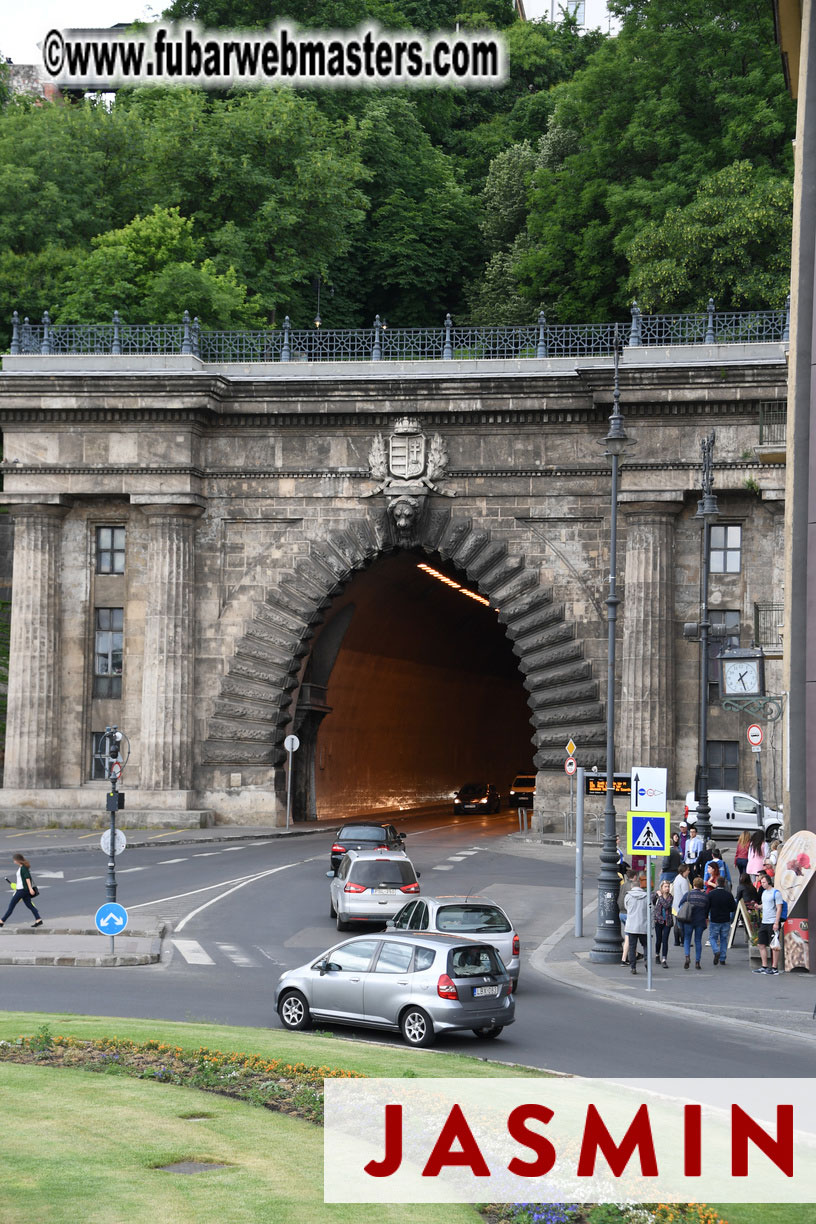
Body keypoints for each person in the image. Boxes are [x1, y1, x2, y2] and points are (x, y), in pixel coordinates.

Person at [753, 871, 784, 975]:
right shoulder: (764, 893)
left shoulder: (776, 893)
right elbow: (765, 905)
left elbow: (779, 908)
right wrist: (758, 906)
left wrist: (776, 922)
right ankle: (764, 966)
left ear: (769, 882)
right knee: (761, 944)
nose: (762, 884)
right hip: (764, 921)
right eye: (761, 882)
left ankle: (774, 968)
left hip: (772, 921)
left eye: (764, 882)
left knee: (774, 945)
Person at [0, 854, 43, 928]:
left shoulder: (23, 868)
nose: (14, 861)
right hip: (23, 890)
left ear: (18, 860)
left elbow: (27, 879)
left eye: (14, 860)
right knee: (29, 905)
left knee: (11, 905)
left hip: (22, 890)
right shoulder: (21, 868)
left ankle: (2, 921)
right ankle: (38, 919)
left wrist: (30, 889)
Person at [705, 878, 737, 965]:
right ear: (724, 884)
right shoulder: (728, 895)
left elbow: (707, 907)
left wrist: (706, 917)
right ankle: (722, 958)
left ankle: (716, 951)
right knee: (724, 939)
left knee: (712, 937)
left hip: (714, 919)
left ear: (716, 883)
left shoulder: (711, 894)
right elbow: (733, 908)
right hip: (725, 919)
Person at [624, 873, 649, 974]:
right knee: (646, 945)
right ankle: (647, 960)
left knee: (632, 947)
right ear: (640, 886)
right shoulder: (646, 896)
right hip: (643, 925)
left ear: (632, 887)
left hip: (631, 926)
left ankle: (633, 967)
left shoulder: (628, 896)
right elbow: (650, 910)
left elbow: (626, 907)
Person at [682, 877, 708, 970]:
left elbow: (680, 904)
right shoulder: (705, 896)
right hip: (700, 921)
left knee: (687, 939)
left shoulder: (688, 895)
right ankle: (697, 962)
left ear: (693, 885)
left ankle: (687, 956)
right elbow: (707, 909)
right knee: (698, 941)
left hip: (689, 920)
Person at [653, 879, 674, 967]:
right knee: (658, 939)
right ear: (661, 887)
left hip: (667, 921)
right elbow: (652, 902)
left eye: (668, 886)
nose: (667, 888)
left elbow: (666, 905)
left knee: (665, 940)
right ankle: (657, 954)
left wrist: (660, 896)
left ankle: (664, 959)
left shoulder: (670, 897)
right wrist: (656, 895)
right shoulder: (657, 896)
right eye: (665, 886)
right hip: (658, 921)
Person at [671, 863, 691, 947]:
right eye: (688, 870)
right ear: (684, 871)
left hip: (675, 904)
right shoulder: (683, 881)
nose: (689, 871)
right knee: (682, 925)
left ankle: (676, 941)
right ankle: (683, 941)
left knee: (677, 923)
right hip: (681, 906)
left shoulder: (677, 878)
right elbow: (686, 894)